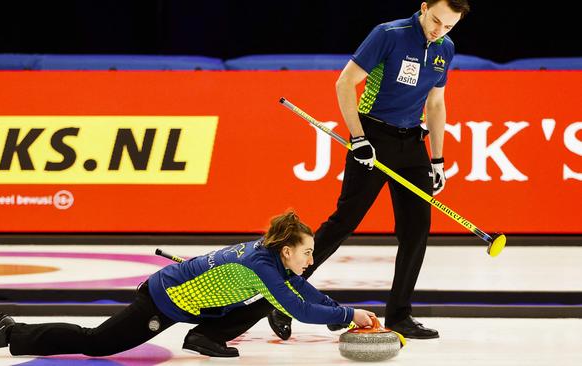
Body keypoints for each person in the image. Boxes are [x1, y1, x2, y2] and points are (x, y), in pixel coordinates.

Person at [192, 0, 470, 343]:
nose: (438, 31)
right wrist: (358, 138)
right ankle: (285, 297)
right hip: (372, 134)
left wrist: (437, 160)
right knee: (344, 223)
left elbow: (437, 102)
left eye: (449, 27)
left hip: (412, 143)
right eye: (436, 21)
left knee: (417, 231)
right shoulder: (389, 34)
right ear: (424, 7)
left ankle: (400, 314)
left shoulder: (446, 48)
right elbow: (345, 83)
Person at [0, 211, 376, 359]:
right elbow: (302, 308)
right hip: (163, 302)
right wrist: (347, 315)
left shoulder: (272, 255)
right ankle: (11, 331)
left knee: (271, 302)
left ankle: (205, 336)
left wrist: (344, 314)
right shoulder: (263, 267)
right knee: (96, 344)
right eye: (307, 253)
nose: (310, 259)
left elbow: (304, 293)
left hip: (201, 303)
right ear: (287, 250)